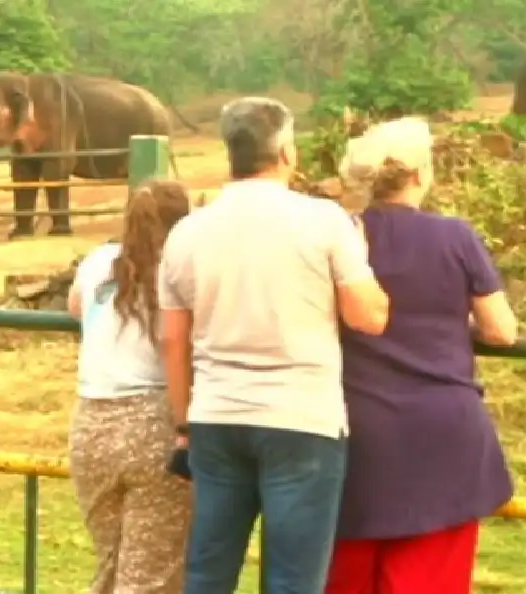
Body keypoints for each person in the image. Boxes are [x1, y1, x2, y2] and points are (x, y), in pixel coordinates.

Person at [157, 96, 391, 594]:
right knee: (293, 579)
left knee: (207, 573)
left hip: (216, 418)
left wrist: (184, 425)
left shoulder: (187, 232)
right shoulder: (326, 221)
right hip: (301, 418)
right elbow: (368, 317)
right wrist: (363, 262)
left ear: (230, 152)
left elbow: (172, 340)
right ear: (286, 151)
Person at [325, 117, 518, 594]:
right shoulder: (455, 236)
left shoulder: (338, 236)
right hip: (442, 434)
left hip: (354, 433)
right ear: (419, 174)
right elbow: (501, 330)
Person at [66, 179, 194, 594]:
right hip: (152, 422)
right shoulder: (178, 271)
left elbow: (73, 306)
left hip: (90, 423)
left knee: (110, 566)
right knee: (150, 576)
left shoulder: (98, 260)